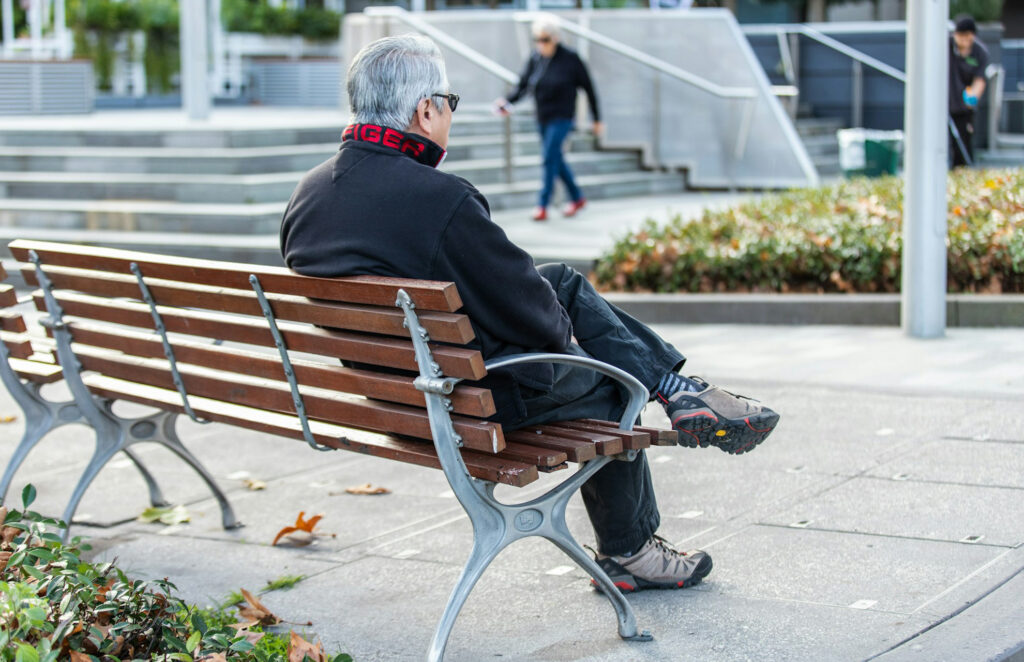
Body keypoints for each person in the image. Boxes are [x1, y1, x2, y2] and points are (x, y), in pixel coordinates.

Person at [280, 35, 780, 593]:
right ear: (425, 110)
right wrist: (586, 350)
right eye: (449, 103)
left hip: (393, 398)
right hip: (468, 406)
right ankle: (631, 545)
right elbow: (538, 324)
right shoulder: (439, 200)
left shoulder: (308, 196)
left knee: (561, 282)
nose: (449, 115)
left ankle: (674, 385)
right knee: (615, 382)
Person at [494, 16, 602, 222]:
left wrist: (597, 119)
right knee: (555, 158)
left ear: (555, 38)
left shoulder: (571, 58)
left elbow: (589, 89)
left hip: (562, 117)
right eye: (537, 39)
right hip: (543, 115)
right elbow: (523, 85)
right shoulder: (536, 58)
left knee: (548, 157)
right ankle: (578, 197)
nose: (540, 44)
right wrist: (507, 102)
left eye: (544, 39)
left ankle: (542, 205)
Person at [949, 15, 989, 167]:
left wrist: (973, 98)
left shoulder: (980, 53)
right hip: (944, 102)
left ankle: (960, 173)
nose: (964, 40)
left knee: (962, 145)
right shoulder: (946, 46)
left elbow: (980, 79)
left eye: (968, 36)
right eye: (961, 36)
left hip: (963, 108)